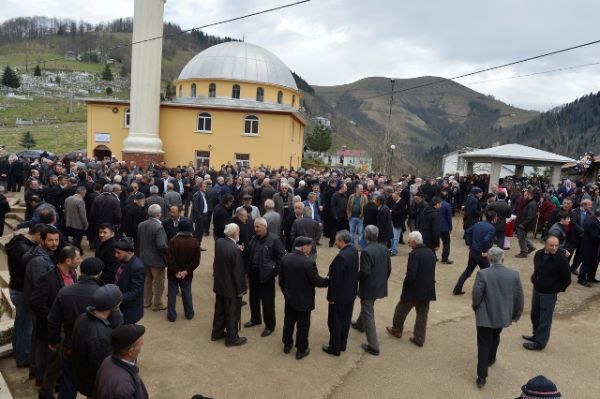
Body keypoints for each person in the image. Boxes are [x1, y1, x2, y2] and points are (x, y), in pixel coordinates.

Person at [30, 245, 80, 399]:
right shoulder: (48, 278)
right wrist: (54, 316)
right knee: (55, 363)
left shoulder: (72, 274)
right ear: (68, 261)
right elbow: (36, 302)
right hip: (57, 328)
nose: (80, 260)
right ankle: (45, 392)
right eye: (78, 258)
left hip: (70, 326)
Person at [471, 247, 524, 388]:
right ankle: (491, 358)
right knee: (496, 335)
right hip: (503, 314)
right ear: (503, 258)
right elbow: (519, 296)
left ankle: (482, 377)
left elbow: (477, 295)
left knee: (483, 344)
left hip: (485, 315)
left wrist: (476, 307)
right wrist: (516, 314)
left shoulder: (482, 274)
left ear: (488, 258)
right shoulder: (514, 275)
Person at [279, 236, 328, 360]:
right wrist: (328, 280)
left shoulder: (286, 258)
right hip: (304, 301)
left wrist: (286, 293)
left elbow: (281, 280)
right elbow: (317, 281)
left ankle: (287, 344)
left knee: (288, 322)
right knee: (303, 326)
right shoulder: (309, 262)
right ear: (304, 247)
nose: (311, 247)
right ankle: (301, 350)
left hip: (289, 299)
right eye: (310, 245)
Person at [71, 285, 124, 397]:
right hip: (96, 386)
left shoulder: (82, 317)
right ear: (114, 306)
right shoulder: (100, 335)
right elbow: (103, 368)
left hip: (82, 377)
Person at [23, 225, 60, 384]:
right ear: (42, 240)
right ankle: (39, 375)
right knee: (41, 341)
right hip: (40, 307)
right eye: (50, 240)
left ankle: (35, 371)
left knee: (38, 338)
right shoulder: (39, 260)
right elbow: (41, 286)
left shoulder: (45, 254)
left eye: (56, 240)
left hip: (38, 305)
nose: (54, 243)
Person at [386, 231, 436, 347]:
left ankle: (397, 330)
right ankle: (419, 338)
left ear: (414, 241)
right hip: (427, 289)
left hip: (414, 290)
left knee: (400, 310)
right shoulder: (430, 252)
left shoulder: (414, 255)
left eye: (409, 241)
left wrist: (405, 289)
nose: (408, 243)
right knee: (422, 315)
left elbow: (411, 275)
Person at [522, 236, 571, 351]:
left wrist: (555, 289)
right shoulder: (538, 254)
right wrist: (535, 279)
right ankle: (536, 335)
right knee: (535, 315)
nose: (554, 248)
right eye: (551, 245)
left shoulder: (561, 259)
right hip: (537, 289)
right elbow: (537, 269)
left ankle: (540, 343)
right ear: (545, 244)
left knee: (545, 319)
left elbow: (567, 279)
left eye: (556, 245)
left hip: (549, 293)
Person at [6, 223, 43, 368]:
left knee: (20, 323)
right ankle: (23, 357)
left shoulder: (18, 242)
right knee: (26, 326)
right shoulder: (24, 249)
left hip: (15, 288)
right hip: (21, 291)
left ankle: (18, 352)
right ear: (38, 235)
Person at [351, 225, 391, 355]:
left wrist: (354, 277)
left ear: (365, 236)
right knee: (367, 307)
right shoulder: (384, 249)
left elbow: (365, 273)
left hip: (369, 287)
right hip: (380, 285)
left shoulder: (366, 251)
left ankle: (373, 346)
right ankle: (359, 324)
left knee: (368, 312)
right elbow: (388, 269)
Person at [243, 217, 285, 337]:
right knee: (253, 299)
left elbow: (282, 258)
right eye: (254, 226)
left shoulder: (275, 239)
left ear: (265, 227)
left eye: (258, 227)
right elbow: (250, 251)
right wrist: (243, 250)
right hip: (254, 274)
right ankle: (255, 319)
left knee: (268, 303)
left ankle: (270, 326)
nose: (255, 229)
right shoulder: (254, 238)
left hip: (267, 277)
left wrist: (273, 272)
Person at [323, 230, 359, 356]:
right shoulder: (354, 251)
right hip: (350, 294)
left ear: (341, 241)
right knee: (345, 321)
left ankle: (334, 348)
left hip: (339, 297)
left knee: (335, 322)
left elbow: (336, 281)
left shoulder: (341, 257)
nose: (335, 243)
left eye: (336, 241)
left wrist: (331, 298)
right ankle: (342, 344)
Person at [212, 223, 247, 346]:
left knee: (220, 310)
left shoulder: (220, 242)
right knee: (232, 313)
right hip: (231, 288)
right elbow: (238, 273)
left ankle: (217, 333)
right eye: (238, 231)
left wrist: (237, 250)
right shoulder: (235, 250)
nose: (239, 233)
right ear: (234, 233)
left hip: (220, 284)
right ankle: (232, 338)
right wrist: (241, 289)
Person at [93, 324, 148, 399]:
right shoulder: (122, 386)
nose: (142, 344)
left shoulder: (109, 360)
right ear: (130, 352)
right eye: (140, 343)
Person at [453, 211, 497, 295]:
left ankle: (457, 289)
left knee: (468, 271)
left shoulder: (478, 224)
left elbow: (467, 232)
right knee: (487, 273)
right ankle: (487, 292)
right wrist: (484, 251)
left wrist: (470, 243)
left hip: (473, 251)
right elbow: (486, 240)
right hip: (481, 254)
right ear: (494, 218)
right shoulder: (492, 228)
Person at [166, 219, 200, 322]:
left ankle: (171, 316)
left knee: (172, 293)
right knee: (186, 292)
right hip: (187, 274)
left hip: (173, 273)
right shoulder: (195, 242)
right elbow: (196, 261)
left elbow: (169, 259)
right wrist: (186, 271)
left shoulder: (173, 241)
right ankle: (189, 313)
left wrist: (176, 271)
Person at [138, 204, 168, 311]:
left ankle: (147, 301)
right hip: (156, 260)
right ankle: (157, 304)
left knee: (147, 280)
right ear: (158, 214)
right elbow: (161, 245)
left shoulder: (141, 224)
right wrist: (169, 250)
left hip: (144, 258)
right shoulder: (159, 227)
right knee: (159, 282)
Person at [114, 237, 145, 324]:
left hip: (129, 310)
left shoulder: (137, 267)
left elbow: (135, 291)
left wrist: (117, 299)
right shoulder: (122, 260)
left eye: (118, 253)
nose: (115, 255)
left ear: (129, 252)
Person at [577, 209, 600, 286]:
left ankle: (591, 277)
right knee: (586, 263)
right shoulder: (593, 223)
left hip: (593, 247)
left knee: (594, 263)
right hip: (589, 247)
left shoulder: (592, 218)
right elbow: (595, 237)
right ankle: (581, 279)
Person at [64, 185, 88, 254]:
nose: (85, 195)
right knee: (77, 240)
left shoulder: (67, 199)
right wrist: (86, 224)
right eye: (85, 193)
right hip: (78, 224)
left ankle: (79, 251)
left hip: (69, 223)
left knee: (76, 240)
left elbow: (65, 211)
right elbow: (83, 215)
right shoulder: (80, 201)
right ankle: (75, 252)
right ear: (82, 192)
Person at [515, 190, 538, 258]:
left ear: (530, 195)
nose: (524, 197)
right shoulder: (529, 202)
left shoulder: (532, 204)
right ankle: (531, 247)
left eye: (525, 195)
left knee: (521, 238)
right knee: (522, 236)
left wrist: (523, 224)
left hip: (525, 224)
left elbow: (530, 216)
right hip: (524, 223)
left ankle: (523, 252)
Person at [347, 183, 368, 248]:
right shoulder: (351, 196)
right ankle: (351, 245)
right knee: (351, 232)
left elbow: (366, 207)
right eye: (360, 189)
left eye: (362, 189)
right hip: (352, 217)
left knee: (361, 233)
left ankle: (361, 246)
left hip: (361, 218)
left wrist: (363, 215)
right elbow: (348, 206)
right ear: (356, 189)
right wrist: (348, 215)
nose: (362, 190)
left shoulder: (364, 197)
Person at [191, 180, 209, 250]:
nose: (205, 188)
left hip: (204, 216)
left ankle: (198, 245)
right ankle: (195, 246)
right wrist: (199, 217)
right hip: (199, 217)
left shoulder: (204, 194)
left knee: (201, 232)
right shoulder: (197, 195)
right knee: (197, 233)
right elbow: (195, 208)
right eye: (204, 187)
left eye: (206, 187)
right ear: (200, 187)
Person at [390, 191, 407, 256]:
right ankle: (392, 249)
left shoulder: (402, 202)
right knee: (392, 237)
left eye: (394, 197)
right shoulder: (395, 202)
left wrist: (392, 211)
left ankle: (394, 251)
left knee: (396, 238)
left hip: (398, 222)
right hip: (393, 221)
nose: (393, 198)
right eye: (392, 197)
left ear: (398, 196)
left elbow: (401, 212)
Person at [439, 193, 453, 264]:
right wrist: (450, 227)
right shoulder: (447, 205)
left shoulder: (437, 204)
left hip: (436, 226)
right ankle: (444, 258)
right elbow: (449, 218)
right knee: (446, 243)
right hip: (444, 227)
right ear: (446, 197)